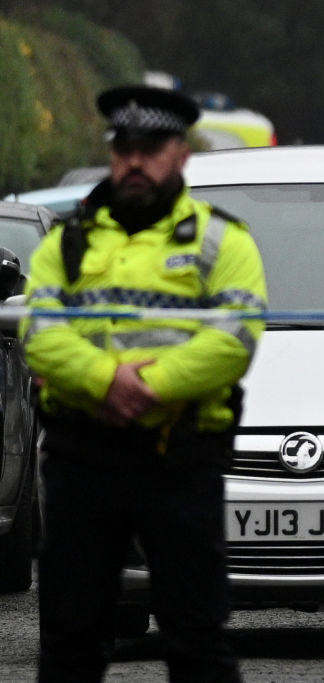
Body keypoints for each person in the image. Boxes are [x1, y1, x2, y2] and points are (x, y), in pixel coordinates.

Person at [20, 85, 267, 682]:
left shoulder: (222, 240)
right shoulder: (66, 243)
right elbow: (40, 336)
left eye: (151, 147)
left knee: (196, 637)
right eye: (124, 147)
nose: (135, 160)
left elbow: (234, 338)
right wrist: (107, 381)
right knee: (70, 639)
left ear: (181, 154)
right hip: (84, 460)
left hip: (179, 459)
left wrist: (147, 388)